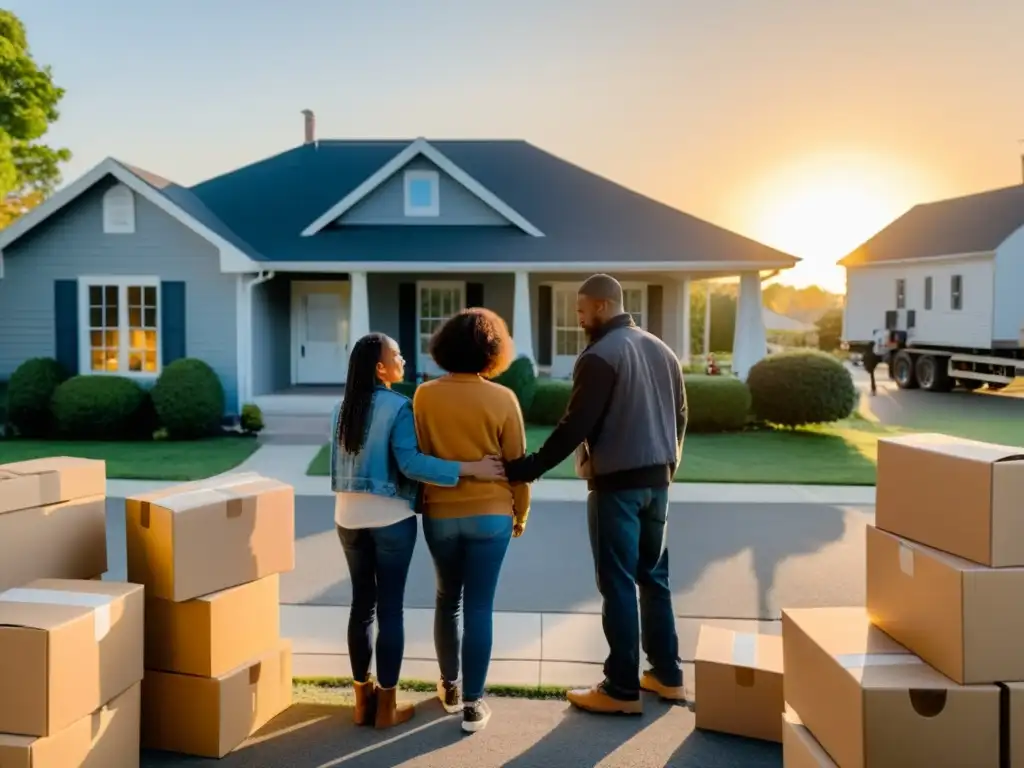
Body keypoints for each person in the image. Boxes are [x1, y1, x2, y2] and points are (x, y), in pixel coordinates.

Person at [504, 273, 687, 716]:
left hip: (617, 488)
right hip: (659, 483)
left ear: (603, 306)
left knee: (618, 582)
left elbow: (575, 424)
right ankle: (667, 676)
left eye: (582, 310)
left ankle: (621, 688)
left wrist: (528, 468)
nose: (579, 318)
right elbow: (680, 413)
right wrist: (668, 466)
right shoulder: (662, 350)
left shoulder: (601, 355)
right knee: (653, 579)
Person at [331, 332, 505, 730]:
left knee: (362, 607)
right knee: (390, 609)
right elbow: (411, 464)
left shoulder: (341, 408)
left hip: (347, 517)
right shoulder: (397, 406)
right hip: (390, 518)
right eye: (398, 355)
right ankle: (388, 708)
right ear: (380, 367)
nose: (403, 360)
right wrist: (469, 469)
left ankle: (362, 701)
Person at [412, 308, 530, 733]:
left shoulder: (424, 396)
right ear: (493, 351)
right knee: (481, 606)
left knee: (448, 599)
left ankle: (449, 686)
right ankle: (474, 705)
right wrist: (520, 513)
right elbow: (516, 467)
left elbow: (419, 457)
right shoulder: (503, 399)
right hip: (492, 515)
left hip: (441, 514)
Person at [864, 329, 889, 395]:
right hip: (875, 358)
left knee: (872, 374)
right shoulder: (878, 340)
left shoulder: (871, 342)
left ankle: (873, 388)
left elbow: (867, 353)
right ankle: (873, 388)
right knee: (872, 374)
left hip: (871, 359)